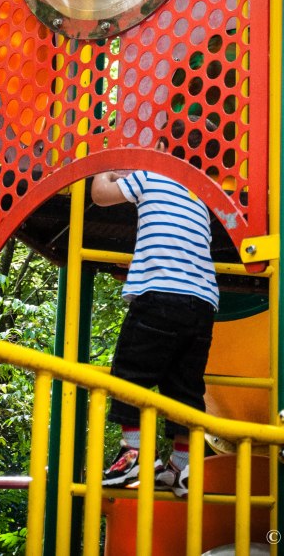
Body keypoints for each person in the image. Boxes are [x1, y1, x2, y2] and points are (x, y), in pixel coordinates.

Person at [91, 144, 218, 497]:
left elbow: (101, 195)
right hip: (203, 304)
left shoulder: (151, 175)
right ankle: (183, 465)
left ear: (162, 151)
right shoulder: (201, 194)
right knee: (185, 387)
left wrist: (106, 166)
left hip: (160, 297)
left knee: (129, 376)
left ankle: (134, 454)